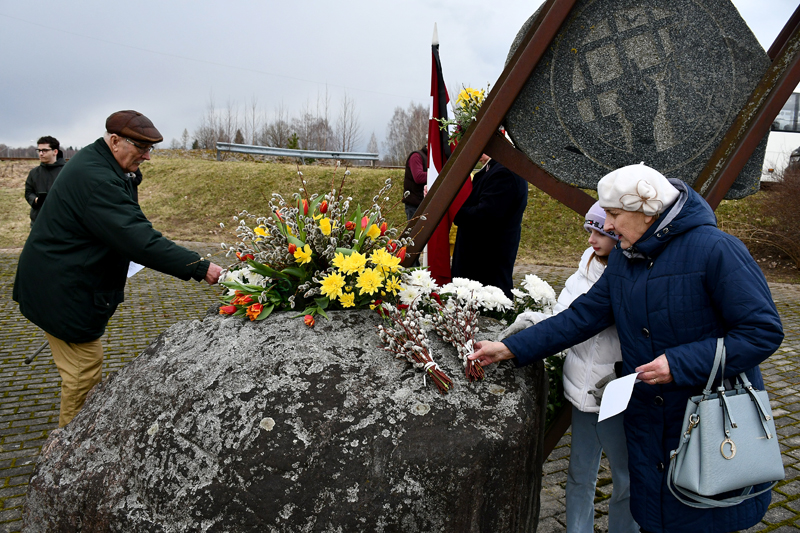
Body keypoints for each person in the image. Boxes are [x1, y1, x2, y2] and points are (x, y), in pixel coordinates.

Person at [469, 163, 784, 533]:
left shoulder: (717, 250)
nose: (610, 225)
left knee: (703, 518)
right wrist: (510, 348)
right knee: (656, 514)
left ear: (647, 209)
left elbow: (762, 331)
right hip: (649, 423)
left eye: (615, 214)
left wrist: (679, 364)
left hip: (709, 422)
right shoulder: (624, 257)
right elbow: (582, 316)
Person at [13, 110, 223, 428]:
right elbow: (140, 239)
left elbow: (125, 223)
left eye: (150, 148)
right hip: (63, 294)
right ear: (114, 141)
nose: (148, 156)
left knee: (83, 367)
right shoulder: (97, 180)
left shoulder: (97, 162)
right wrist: (201, 267)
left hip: (58, 284)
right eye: (141, 147)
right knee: (84, 371)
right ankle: (65, 453)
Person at [501, 201, 637, 533]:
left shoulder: (635, 274)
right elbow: (564, 320)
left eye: (599, 231)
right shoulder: (582, 272)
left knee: (627, 477)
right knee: (579, 473)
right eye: (589, 230)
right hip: (582, 389)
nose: (591, 239)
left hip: (619, 391)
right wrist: (531, 324)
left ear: (618, 231)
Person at [451, 155, 527, 298]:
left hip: (486, 265)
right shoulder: (497, 168)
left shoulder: (504, 173)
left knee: (486, 310)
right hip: (482, 261)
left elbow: (484, 216)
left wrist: (453, 210)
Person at [25, 135, 66, 225]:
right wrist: (36, 200)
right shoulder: (34, 172)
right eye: (39, 150)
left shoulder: (67, 171)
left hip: (62, 222)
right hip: (38, 221)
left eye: (45, 150)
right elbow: (28, 192)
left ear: (55, 151)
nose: (41, 153)